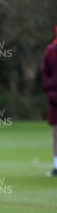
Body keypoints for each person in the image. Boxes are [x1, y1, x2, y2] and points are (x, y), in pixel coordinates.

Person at [41, 26, 57, 177]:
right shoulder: (51, 51)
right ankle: (56, 165)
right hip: (55, 99)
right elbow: (44, 72)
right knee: (55, 133)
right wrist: (49, 87)